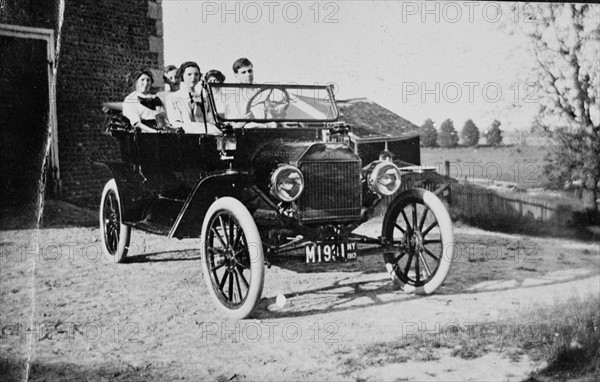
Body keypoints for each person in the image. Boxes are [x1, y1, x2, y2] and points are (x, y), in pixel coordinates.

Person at [166, 61, 220, 134]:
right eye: (189, 74)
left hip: (207, 132)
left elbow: (211, 121)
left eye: (196, 74)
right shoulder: (173, 97)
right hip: (185, 134)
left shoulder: (204, 98)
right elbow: (175, 123)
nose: (193, 77)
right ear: (182, 76)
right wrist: (202, 127)